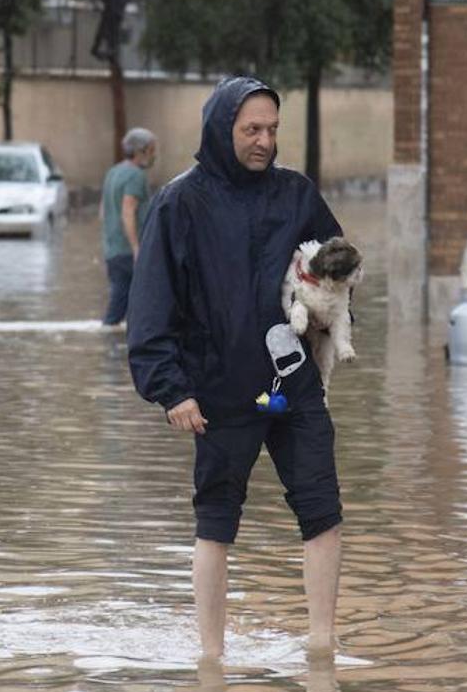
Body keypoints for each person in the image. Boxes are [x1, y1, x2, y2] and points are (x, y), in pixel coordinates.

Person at [128, 77, 346, 660]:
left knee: (323, 509)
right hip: (218, 389)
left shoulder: (297, 195)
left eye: (272, 130)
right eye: (252, 129)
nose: (264, 141)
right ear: (221, 129)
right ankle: (211, 657)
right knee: (216, 519)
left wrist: (335, 293)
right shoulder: (179, 204)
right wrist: (171, 391)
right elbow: (149, 307)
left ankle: (323, 650)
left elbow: (335, 271)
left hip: (294, 387)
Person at [100, 127, 157, 327]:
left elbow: (103, 211)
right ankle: (112, 345)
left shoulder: (113, 172)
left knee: (121, 298)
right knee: (136, 302)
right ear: (140, 151)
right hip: (129, 250)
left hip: (112, 247)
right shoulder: (135, 176)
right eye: (151, 150)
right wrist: (136, 248)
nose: (154, 155)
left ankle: (113, 344)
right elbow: (128, 210)